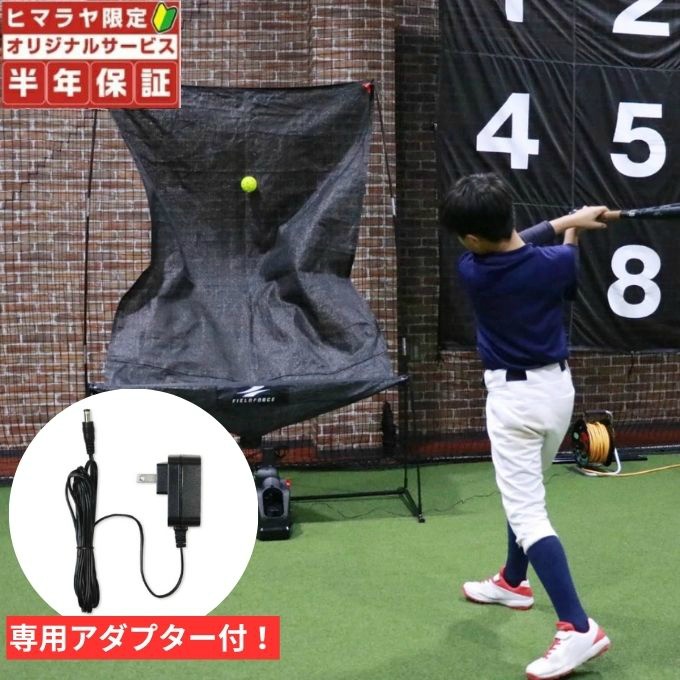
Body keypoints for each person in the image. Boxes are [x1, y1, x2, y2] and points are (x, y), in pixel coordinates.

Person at [440, 173, 611, 680]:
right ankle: (513, 582)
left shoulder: (472, 270)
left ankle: (578, 627)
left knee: (528, 512)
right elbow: (542, 254)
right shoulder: (557, 262)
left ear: (473, 239)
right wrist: (573, 227)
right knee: (525, 495)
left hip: (515, 404)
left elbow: (518, 245)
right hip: (557, 394)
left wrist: (568, 222)